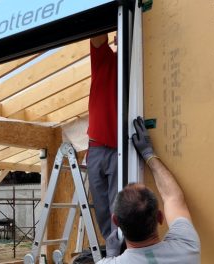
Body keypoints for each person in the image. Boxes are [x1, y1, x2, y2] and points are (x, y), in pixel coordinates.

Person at [98, 116, 201, 263]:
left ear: (116, 220)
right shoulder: (187, 247)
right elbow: (173, 197)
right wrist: (148, 154)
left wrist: (110, 257)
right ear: (159, 217)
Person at [87, 33, 118, 244]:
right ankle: (112, 248)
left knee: (118, 208)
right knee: (101, 208)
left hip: (120, 149)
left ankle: (122, 252)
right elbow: (97, 35)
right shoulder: (104, 58)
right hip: (97, 147)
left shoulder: (135, 66)